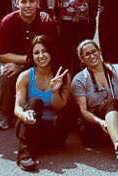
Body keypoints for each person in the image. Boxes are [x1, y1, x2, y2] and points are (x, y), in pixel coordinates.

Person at [0, 0, 58, 130]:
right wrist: (24, 63)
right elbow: (2, 54)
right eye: (23, 1)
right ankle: (4, 114)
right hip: (12, 61)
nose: (28, 5)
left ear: (37, 3)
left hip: (39, 61)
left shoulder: (45, 22)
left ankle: (48, 109)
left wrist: (25, 65)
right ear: (17, 3)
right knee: (6, 73)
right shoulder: (7, 22)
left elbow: (52, 53)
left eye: (31, 1)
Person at [13, 35, 72, 172]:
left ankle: (45, 144)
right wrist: (24, 115)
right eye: (36, 53)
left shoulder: (63, 75)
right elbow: (17, 107)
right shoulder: (25, 76)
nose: (41, 56)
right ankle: (25, 155)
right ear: (32, 56)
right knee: (35, 102)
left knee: (70, 108)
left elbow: (60, 108)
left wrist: (54, 91)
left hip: (52, 128)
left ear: (51, 52)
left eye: (44, 51)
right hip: (30, 125)